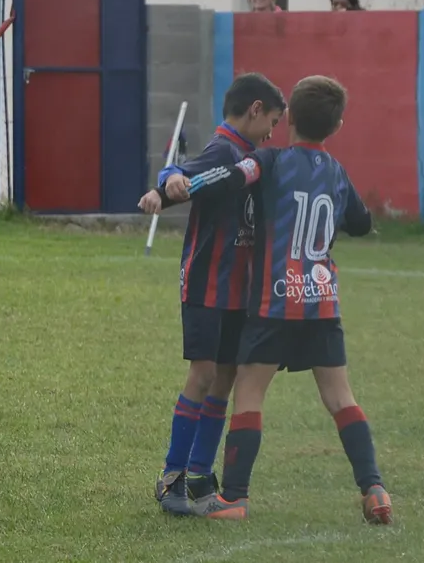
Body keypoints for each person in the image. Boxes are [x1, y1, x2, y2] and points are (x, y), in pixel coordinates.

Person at [177, 75, 391, 524]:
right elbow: (360, 220)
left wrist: (175, 182)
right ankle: (374, 488)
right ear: (336, 126)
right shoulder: (336, 171)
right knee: (340, 397)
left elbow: (237, 175)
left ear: (288, 116)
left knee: (249, 394)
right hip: (321, 302)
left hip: (274, 303)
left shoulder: (270, 160)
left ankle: (234, 498)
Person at [137, 73, 286, 516]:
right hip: (206, 282)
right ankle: (171, 476)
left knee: (225, 378)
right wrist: (165, 185)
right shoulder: (225, 149)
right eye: (272, 121)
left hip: (238, 289)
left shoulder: (248, 154)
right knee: (203, 375)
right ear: (255, 109)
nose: (273, 133)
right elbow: (185, 178)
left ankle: (201, 474)